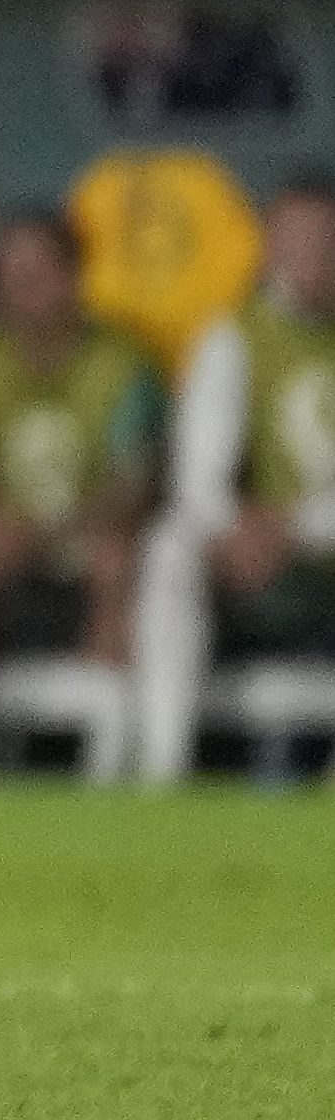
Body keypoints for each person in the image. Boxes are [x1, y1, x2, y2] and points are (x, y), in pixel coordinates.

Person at [0, 212, 161, 781]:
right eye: (7, 277)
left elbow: (131, 490)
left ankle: (105, 770)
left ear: (73, 278)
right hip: (2, 562)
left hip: (87, 555)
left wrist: (41, 534)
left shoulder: (120, 364)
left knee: (123, 559)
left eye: (37, 274)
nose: (21, 291)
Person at [143, 175, 335, 780]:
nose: (314, 255)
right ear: (269, 246)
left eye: (326, 239)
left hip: (311, 544)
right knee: (170, 550)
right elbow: (198, 481)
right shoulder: (232, 338)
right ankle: (163, 771)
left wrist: (297, 526)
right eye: (297, 239)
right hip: (270, 573)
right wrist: (236, 528)